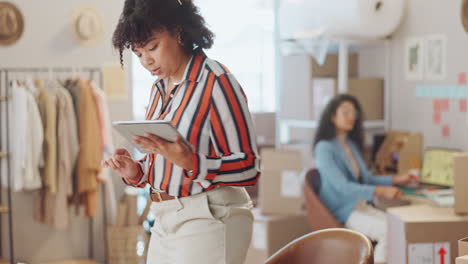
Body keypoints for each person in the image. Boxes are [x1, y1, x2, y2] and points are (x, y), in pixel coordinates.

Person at [103, 0, 261, 263]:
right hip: (164, 217)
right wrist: (137, 172)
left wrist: (191, 162)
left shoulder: (216, 81)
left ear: (178, 31)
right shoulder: (158, 90)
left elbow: (249, 167)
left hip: (211, 215)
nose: (146, 61)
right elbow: (166, 161)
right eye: (139, 53)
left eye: (152, 47)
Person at [313, 94, 418, 264]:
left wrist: (397, 180)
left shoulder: (350, 145)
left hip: (359, 205)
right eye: (345, 112)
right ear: (332, 116)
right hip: (342, 210)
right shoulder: (324, 148)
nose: (351, 117)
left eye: (354, 113)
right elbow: (342, 187)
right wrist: (381, 190)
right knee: (387, 232)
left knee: (397, 228)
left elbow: (367, 179)